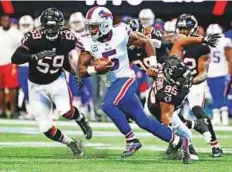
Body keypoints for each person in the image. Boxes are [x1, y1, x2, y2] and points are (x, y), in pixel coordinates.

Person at [76, 6, 217, 164]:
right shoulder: (87, 42)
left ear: (105, 24)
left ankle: (131, 140)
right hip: (113, 84)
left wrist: (153, 64)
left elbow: (148, 42)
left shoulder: (122, 32)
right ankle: (179, 141)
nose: (91, 30)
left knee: (108, 105)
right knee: (144, 121)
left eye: (94, 26)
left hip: (126, 79)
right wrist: (95, 68)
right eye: (90, 26)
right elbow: (80, 71)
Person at [11, 8, 92, 156]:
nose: (50, 29)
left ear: (60, 25)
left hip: (56, 80)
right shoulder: (33, 38)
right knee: (45, 127)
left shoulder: (68, 38)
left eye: (53, 26)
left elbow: (71, 58)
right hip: (35, 86)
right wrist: (34, 56)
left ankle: (81, 119)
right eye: (47, 26)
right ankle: (71, 143)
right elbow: (15, 57)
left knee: (66, 112)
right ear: (42, 25)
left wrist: (76, 73)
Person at [175, 14, 223, 157]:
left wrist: (190, 81)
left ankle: (215, 145)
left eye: (186, 29)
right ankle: (182, 143)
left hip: (195, 83)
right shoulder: (174, 42)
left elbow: (203, 73)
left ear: (193, 28)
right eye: (181, 29)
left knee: (197, 110)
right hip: (178, 83)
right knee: (171, 113)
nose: (183, 32)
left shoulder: (201, 47)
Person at [69, 12, 96, 121]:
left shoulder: (89, 33)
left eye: (78, 22)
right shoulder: (68, 34)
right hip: (73, 67)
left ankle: (91, 111)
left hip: (89, 66)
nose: (76, 24)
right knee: (75, 91)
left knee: (89, 90)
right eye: (74, 22)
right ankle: (77, 113)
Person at [207, 24, 232, 126]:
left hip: (219, 72)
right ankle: (218, 117)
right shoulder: (224, 41)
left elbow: (230, 58)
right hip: (216, 71)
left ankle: (223, 116)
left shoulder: (208, 42)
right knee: (217, 95)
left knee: (221, 95)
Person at [0, 14, 23, 118]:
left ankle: (13, 111)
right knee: (0, 89)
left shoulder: (16, 33)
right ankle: (3, 111)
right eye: (3, 20)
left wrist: (17, 62)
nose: (5, 22)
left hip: (10, 63)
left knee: (12, 88)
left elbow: (21, 48)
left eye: (6, 20)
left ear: (10, 21)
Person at [18, 15, 34, 119]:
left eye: (27, 25)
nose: (25, 26)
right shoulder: (16, 35)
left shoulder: (36, 35)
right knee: (24, 90)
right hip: (21, 66)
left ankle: (36, 111)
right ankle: (29, 111)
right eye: (24, 25)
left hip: (33, 66)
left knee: (34, 90)